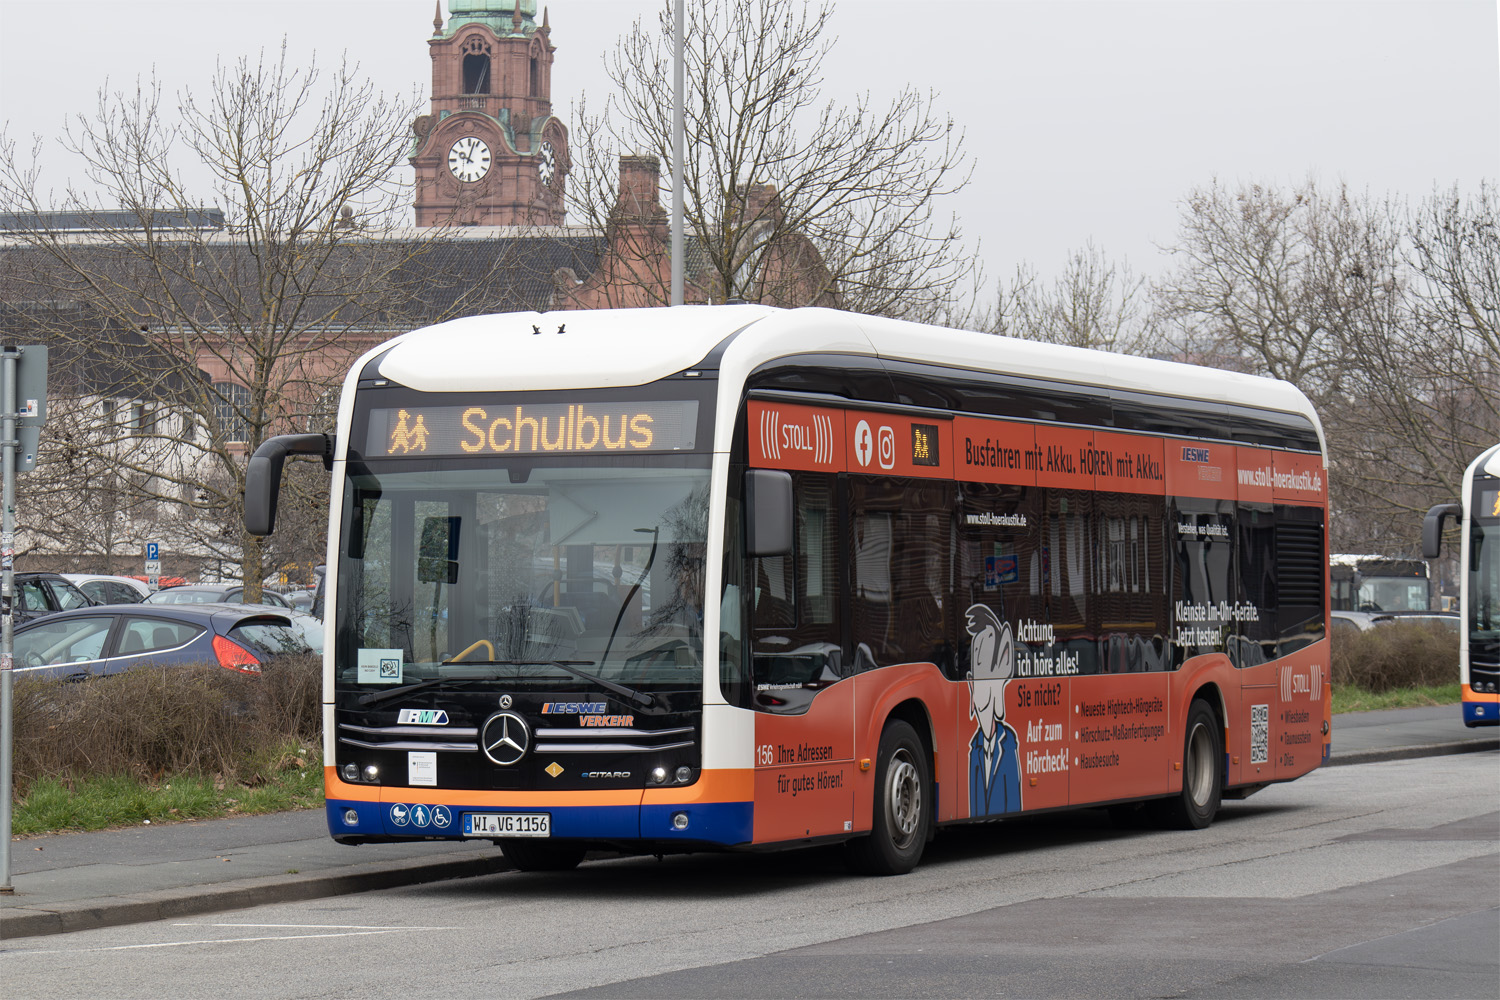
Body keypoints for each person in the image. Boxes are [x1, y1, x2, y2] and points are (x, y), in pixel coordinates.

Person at [965, 603, 1022, 816]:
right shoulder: (974, 749)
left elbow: (1013, 801)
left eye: (987, 673)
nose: (976, 684)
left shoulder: (1008, 744)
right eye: (976, 674)